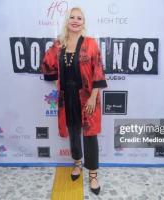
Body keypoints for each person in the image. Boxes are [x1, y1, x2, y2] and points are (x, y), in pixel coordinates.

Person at [41, 7, 107, 195]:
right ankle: (77, 163)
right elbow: (47, 66)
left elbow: (98, 72)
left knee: (90, 134)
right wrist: (58, 83)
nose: (76, 20)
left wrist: (93, 98)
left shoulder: (91, 44)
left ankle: (93, 174)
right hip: (67, 95)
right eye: (72, 17)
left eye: (80, 18)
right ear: (67, 21)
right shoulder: (58, 44)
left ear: (83, 22)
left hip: (87, 96)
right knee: (73, 131)